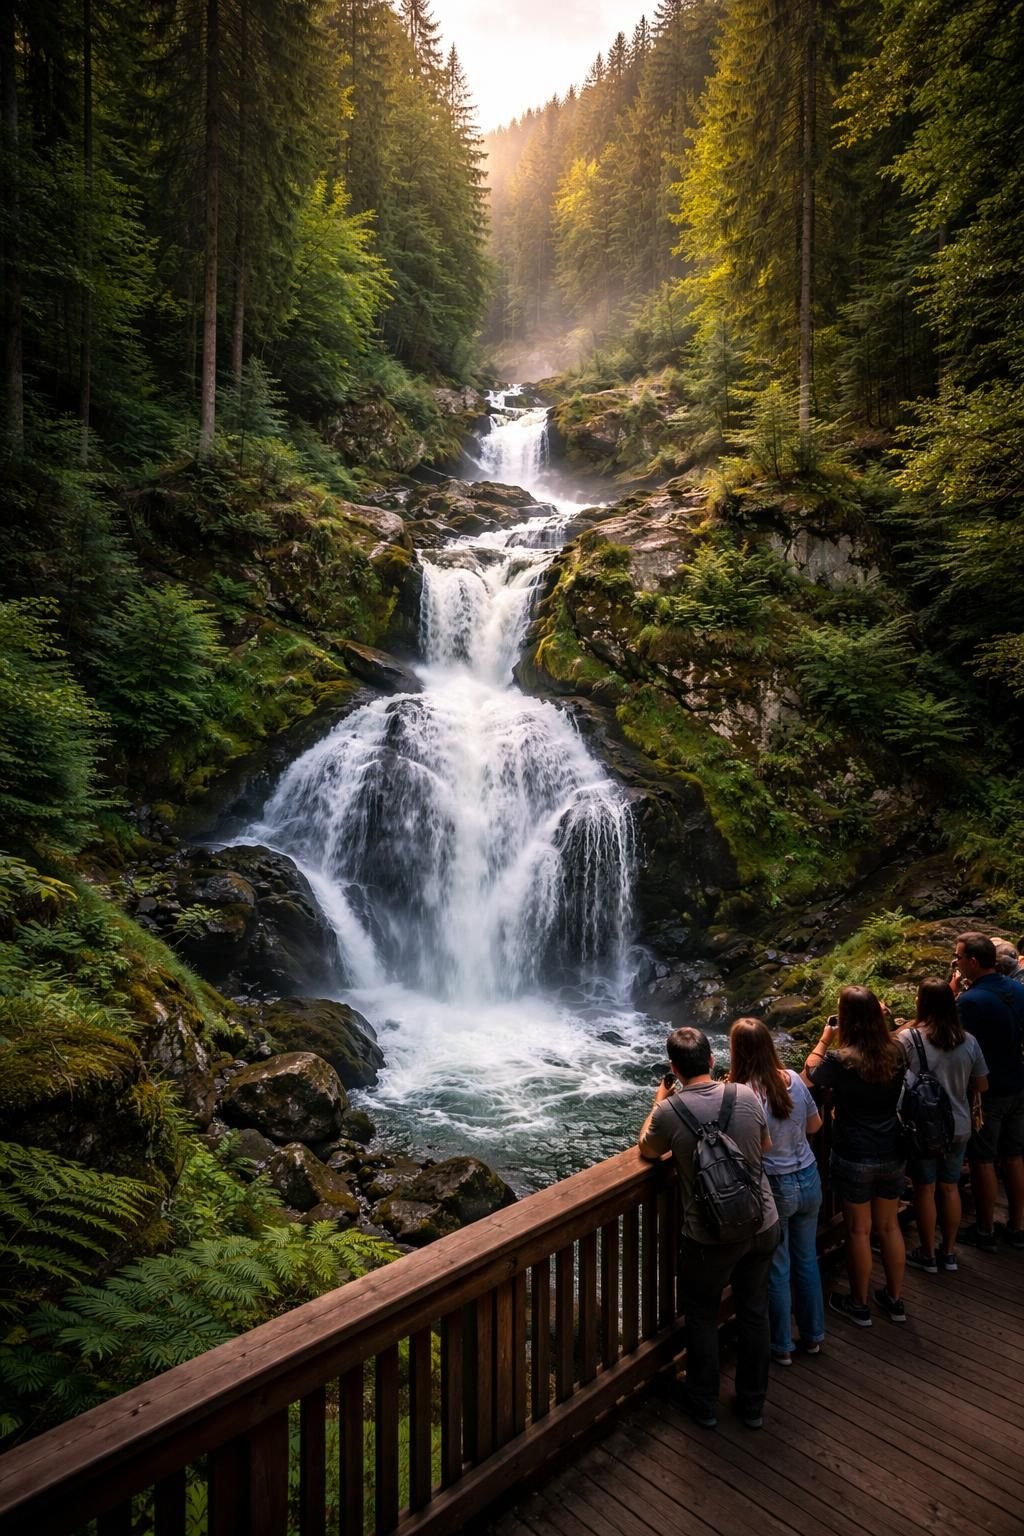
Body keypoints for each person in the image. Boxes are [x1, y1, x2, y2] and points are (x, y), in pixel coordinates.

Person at [639, 1026, 780, 1430]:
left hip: (709, 1235)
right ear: (713, 1060)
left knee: (702, 1315)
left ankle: (703, 1404)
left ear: (674, 1069)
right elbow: (765, 1147)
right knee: (754, 1310)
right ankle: (752, 1404)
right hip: (761, 1220)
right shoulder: (745, 1095)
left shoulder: (670, 1111)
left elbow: (647, 1149)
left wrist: (659, 1101)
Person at [802, 985, 907, 1326]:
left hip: (853, 1151)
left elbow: (810, 1075)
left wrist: (825, 1038)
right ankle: (894, 1299)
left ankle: (859, 1304)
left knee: (859, 1231)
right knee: (889, 1226)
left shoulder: (841, 1059)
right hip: (892, 1146)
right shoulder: (897, 1050)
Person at [729, 1018, 825, 1364]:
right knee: (807, 1260)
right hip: (809, 1176)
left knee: (778, 1266)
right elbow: (815, 1124)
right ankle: (813, 1336)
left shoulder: (744, 1094)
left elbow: (750, 1146)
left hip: (776, 1185)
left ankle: (782, 1345)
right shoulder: (794, 1079)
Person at [896, 978, 989, 1272]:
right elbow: (982, 1085)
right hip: (959, 1125)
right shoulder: (968, 1040)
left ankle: (927, 1254)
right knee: (950, 1187)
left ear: (921, 1003)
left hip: (924, 1128)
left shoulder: (909, 1038)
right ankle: (948, 1252)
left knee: (924, 1189)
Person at [953, 932, 1024, 1250]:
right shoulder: (1018, 989)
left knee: (983, 1159)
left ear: (972, 961)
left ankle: (985, 1229)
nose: (956, 963)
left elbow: (955, 1042)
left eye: (958, 958)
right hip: (1018, 1081)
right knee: (1014, 1156)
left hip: (988, 1090)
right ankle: (1017, 1226)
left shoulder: (971, 1001)